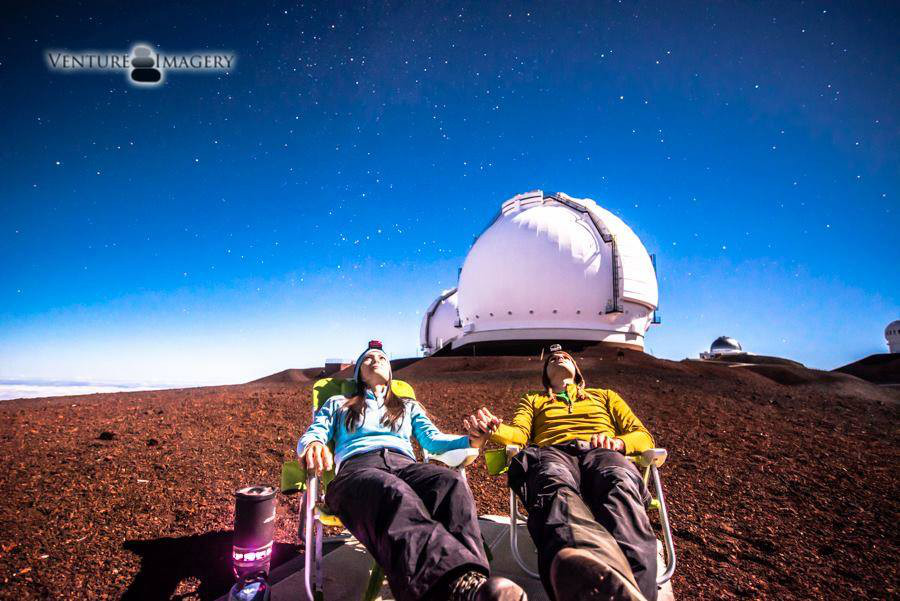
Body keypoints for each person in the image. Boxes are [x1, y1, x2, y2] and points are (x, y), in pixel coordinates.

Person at [298, 340, 527, 601]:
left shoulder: (407, 406)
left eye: (382, 358)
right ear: (359, 373)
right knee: (393, 491)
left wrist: (472, 440)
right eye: (369, 359)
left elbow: (433, 440)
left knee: (449, 483)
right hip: (357, 470)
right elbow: (314, 433)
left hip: (404, 465)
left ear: (391, 373)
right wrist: (314, 444)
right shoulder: (340, 403)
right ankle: (454, 588)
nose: (377, 361)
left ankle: (474, 583)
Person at [463, 345, 657, 601]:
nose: (559, 356)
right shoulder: (534, 399)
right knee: (552, 485)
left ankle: (632, 589)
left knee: (619, 484)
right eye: (552, 358)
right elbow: (520, 435)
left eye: (566, 356)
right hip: (553, 453)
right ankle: (583, 567)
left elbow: (643, 436)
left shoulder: (605, 396)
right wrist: (493, 429)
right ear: (545, 375)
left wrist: (619, 443)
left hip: (601, 452)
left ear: (577, 371)